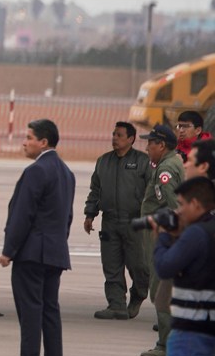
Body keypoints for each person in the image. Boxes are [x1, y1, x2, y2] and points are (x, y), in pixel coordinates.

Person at [0, 119, 76, 356]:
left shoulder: (35, 171)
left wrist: (9, 250)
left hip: (31, 254)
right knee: (50, 311)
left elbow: (23, 215)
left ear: (43, 143)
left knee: (30, 313)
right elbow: (67, 217)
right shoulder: (66, 172)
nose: (25, 143)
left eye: (29, 138)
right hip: (55, 252)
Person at [83, 121, 151, 320]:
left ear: (131, 139)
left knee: (139, 265)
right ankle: (117, 305)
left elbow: (151, 192)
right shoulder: (103, 161)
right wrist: (90, 214)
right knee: (111, 265)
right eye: (114, 134)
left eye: (120, 135)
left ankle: (138, 295)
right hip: (110, 221)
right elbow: (95, 190)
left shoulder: (142, 162)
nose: (115, 138)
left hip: (135, 222)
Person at [150, 176, 215, 356]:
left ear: (195, 204)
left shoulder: (196, 233)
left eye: (182, 204)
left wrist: (164, 237)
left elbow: (165, 267)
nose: (179, 210)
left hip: (191, 330)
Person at [140, 125, 186, 356]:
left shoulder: (165, 169)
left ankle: (165, 345)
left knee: (160, 290)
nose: (147, 147)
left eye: (150, 143)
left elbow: (173, 206)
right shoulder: (173, 162)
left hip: (164, 237)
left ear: (162, 145)